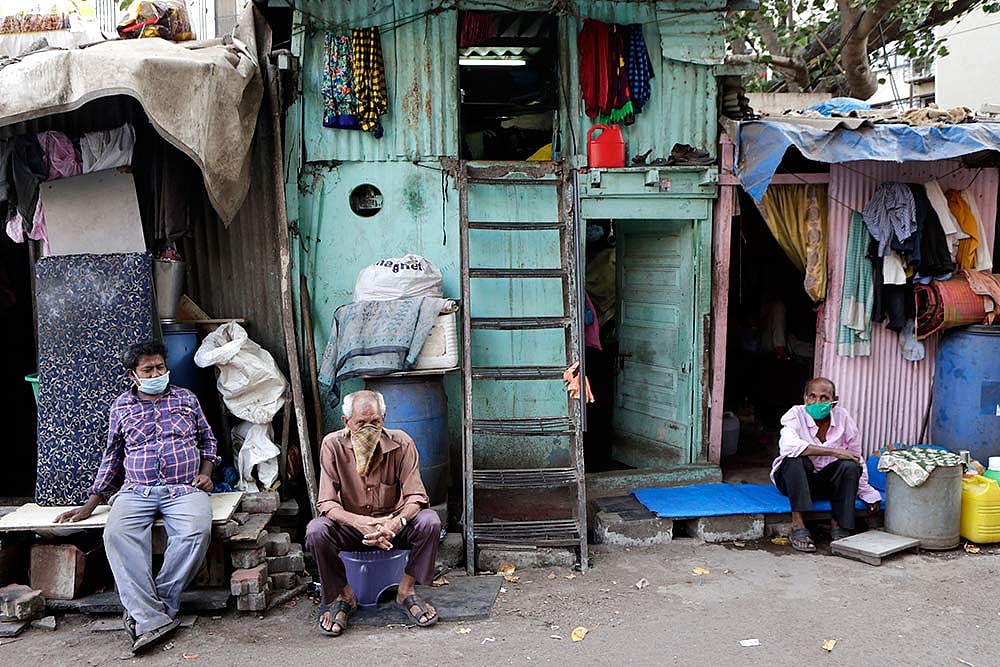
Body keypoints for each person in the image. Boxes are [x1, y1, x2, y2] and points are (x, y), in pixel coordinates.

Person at [56, 341, 218, 653]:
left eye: (160, 367)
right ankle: (154, 618)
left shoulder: (187, 399)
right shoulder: (121, 407)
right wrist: (91, 503)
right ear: (134, 375)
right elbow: (112, 456)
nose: (157, 373)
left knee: (196, 531)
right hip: (135, 490)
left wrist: (207, 472)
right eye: (148, 369)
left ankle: (150, 613)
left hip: (183, 488)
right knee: (117, 534)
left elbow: (208, 440)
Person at [305, 390, 441, 637]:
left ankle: (406, 591)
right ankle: (344, 595)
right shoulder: (332, 445)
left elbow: (417, 497)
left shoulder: (402, 443)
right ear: (346, 422)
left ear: (385, 418)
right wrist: (360, 522)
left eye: (375, 422)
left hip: (392, 528)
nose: (368, 429)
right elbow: (326, 502)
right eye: (360, 423)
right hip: (352, 528)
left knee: (430, 521)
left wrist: (396, 522)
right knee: (316, 531)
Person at [771, 377, 882, 552]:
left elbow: (856, 457)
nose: (817, 401)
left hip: (825, 482)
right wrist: (834, 452)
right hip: (792, 480)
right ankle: (798, 524)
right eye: (813, 396)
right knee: (795, 459)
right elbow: (789, 447)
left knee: (850, 465)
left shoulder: (843, 418)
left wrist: (868, 493)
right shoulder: (795, 414)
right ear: (805, 398)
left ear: (834, 401)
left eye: (824, 398)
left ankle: (838, 524)